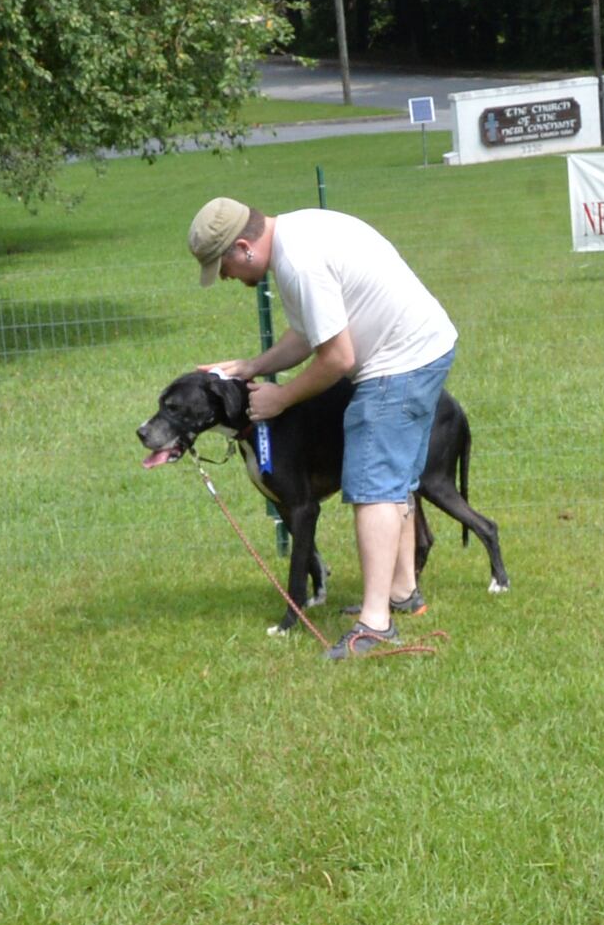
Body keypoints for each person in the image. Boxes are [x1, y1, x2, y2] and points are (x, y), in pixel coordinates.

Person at [189, 195, 459, 659]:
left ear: (243, 247)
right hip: (426, 345)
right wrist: (252, 366)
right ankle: (402, 592)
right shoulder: (298, 233)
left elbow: (337, 358)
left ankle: (375, 625)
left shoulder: (298, 264)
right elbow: (310, 332)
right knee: (395, 480)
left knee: (373, 485)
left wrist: (282, 396)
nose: (229, 278)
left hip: (398, 363)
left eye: (225, 267)